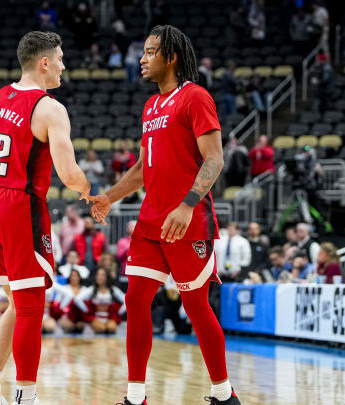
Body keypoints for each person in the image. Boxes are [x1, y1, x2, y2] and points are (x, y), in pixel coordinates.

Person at [89, 25, 241, 405]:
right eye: (143, 51)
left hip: (188, 219)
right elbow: (143, 168)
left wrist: (188, 203)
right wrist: (110, 196)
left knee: (195, 305)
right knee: (136, 300)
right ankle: (136, 396)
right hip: (150, 219)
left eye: (150, 51)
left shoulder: (195, 97)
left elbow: (215, 159)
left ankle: (223, 394)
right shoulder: (150, 106)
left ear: (170, 57)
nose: (142, 58)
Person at [0, 31, 91, 405]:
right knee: (33, 304)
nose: (64, 66)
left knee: (17, 303)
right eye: (62, 58)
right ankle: (26, 396)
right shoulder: (50, 107)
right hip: (19, 204)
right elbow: (69, 175)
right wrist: (92, 193)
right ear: (45, 63)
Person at [74, 268, 125, 334]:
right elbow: (77, 299)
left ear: (107, 277)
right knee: (101, 329)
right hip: (96, 318)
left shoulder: (112, 289)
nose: (99, 277)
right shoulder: (92, 289)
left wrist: (119, 312)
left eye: (102, 275)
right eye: (98, 275)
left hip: (109, 318)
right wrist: (87, 310)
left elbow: (127, 300)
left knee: (112, 328)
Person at [56, 269, 88, 333]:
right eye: (72, 276)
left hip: (80, 316)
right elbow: (57, 302)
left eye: (76, 276)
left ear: (79, 278)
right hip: (66, 315)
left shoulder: (85, 289)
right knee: (69, 326)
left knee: (81, 326)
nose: (74, 278)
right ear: (69, 278)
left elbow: (88, 306)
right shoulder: (64, 288)